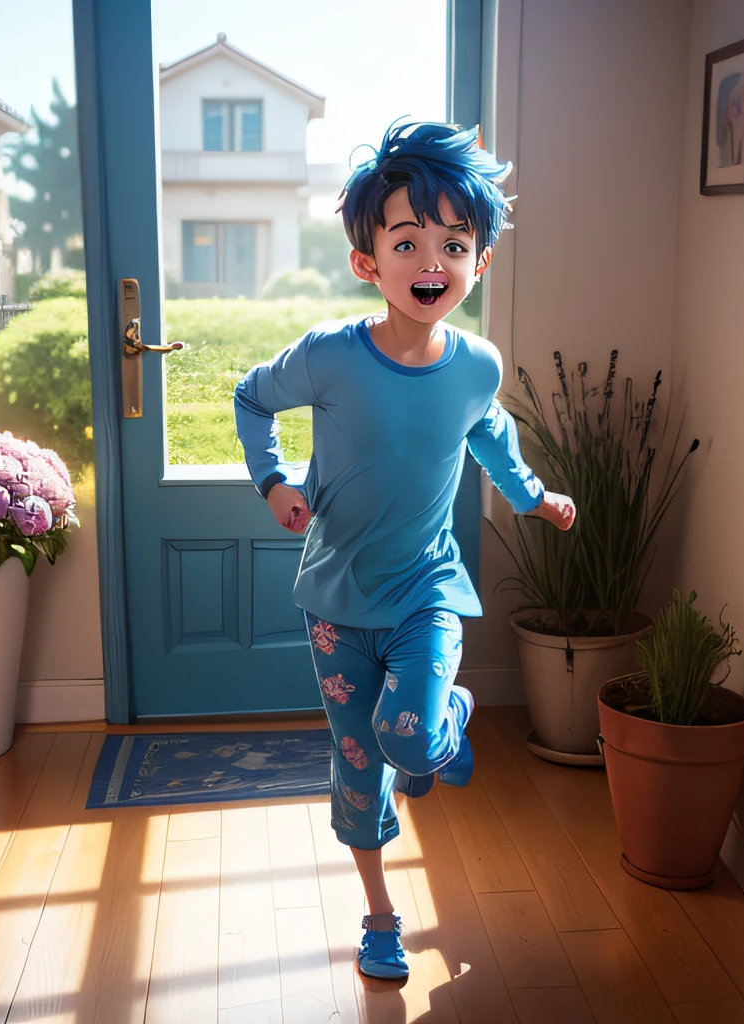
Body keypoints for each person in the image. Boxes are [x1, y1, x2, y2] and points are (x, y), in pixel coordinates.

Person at [234, 121, 575, 981]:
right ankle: (380, 913)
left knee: (410, 738)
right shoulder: (328, 358)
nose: (433, 260)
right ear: (368, 262)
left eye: (454, 243)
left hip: (427, 592)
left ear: (480, 262)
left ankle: (443, 726)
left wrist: (535, 498)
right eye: (408, 240)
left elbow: (491, 436)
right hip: (335, 604)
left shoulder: (477, 366)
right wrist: (274, 483)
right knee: (360, 769)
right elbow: (250, 397)